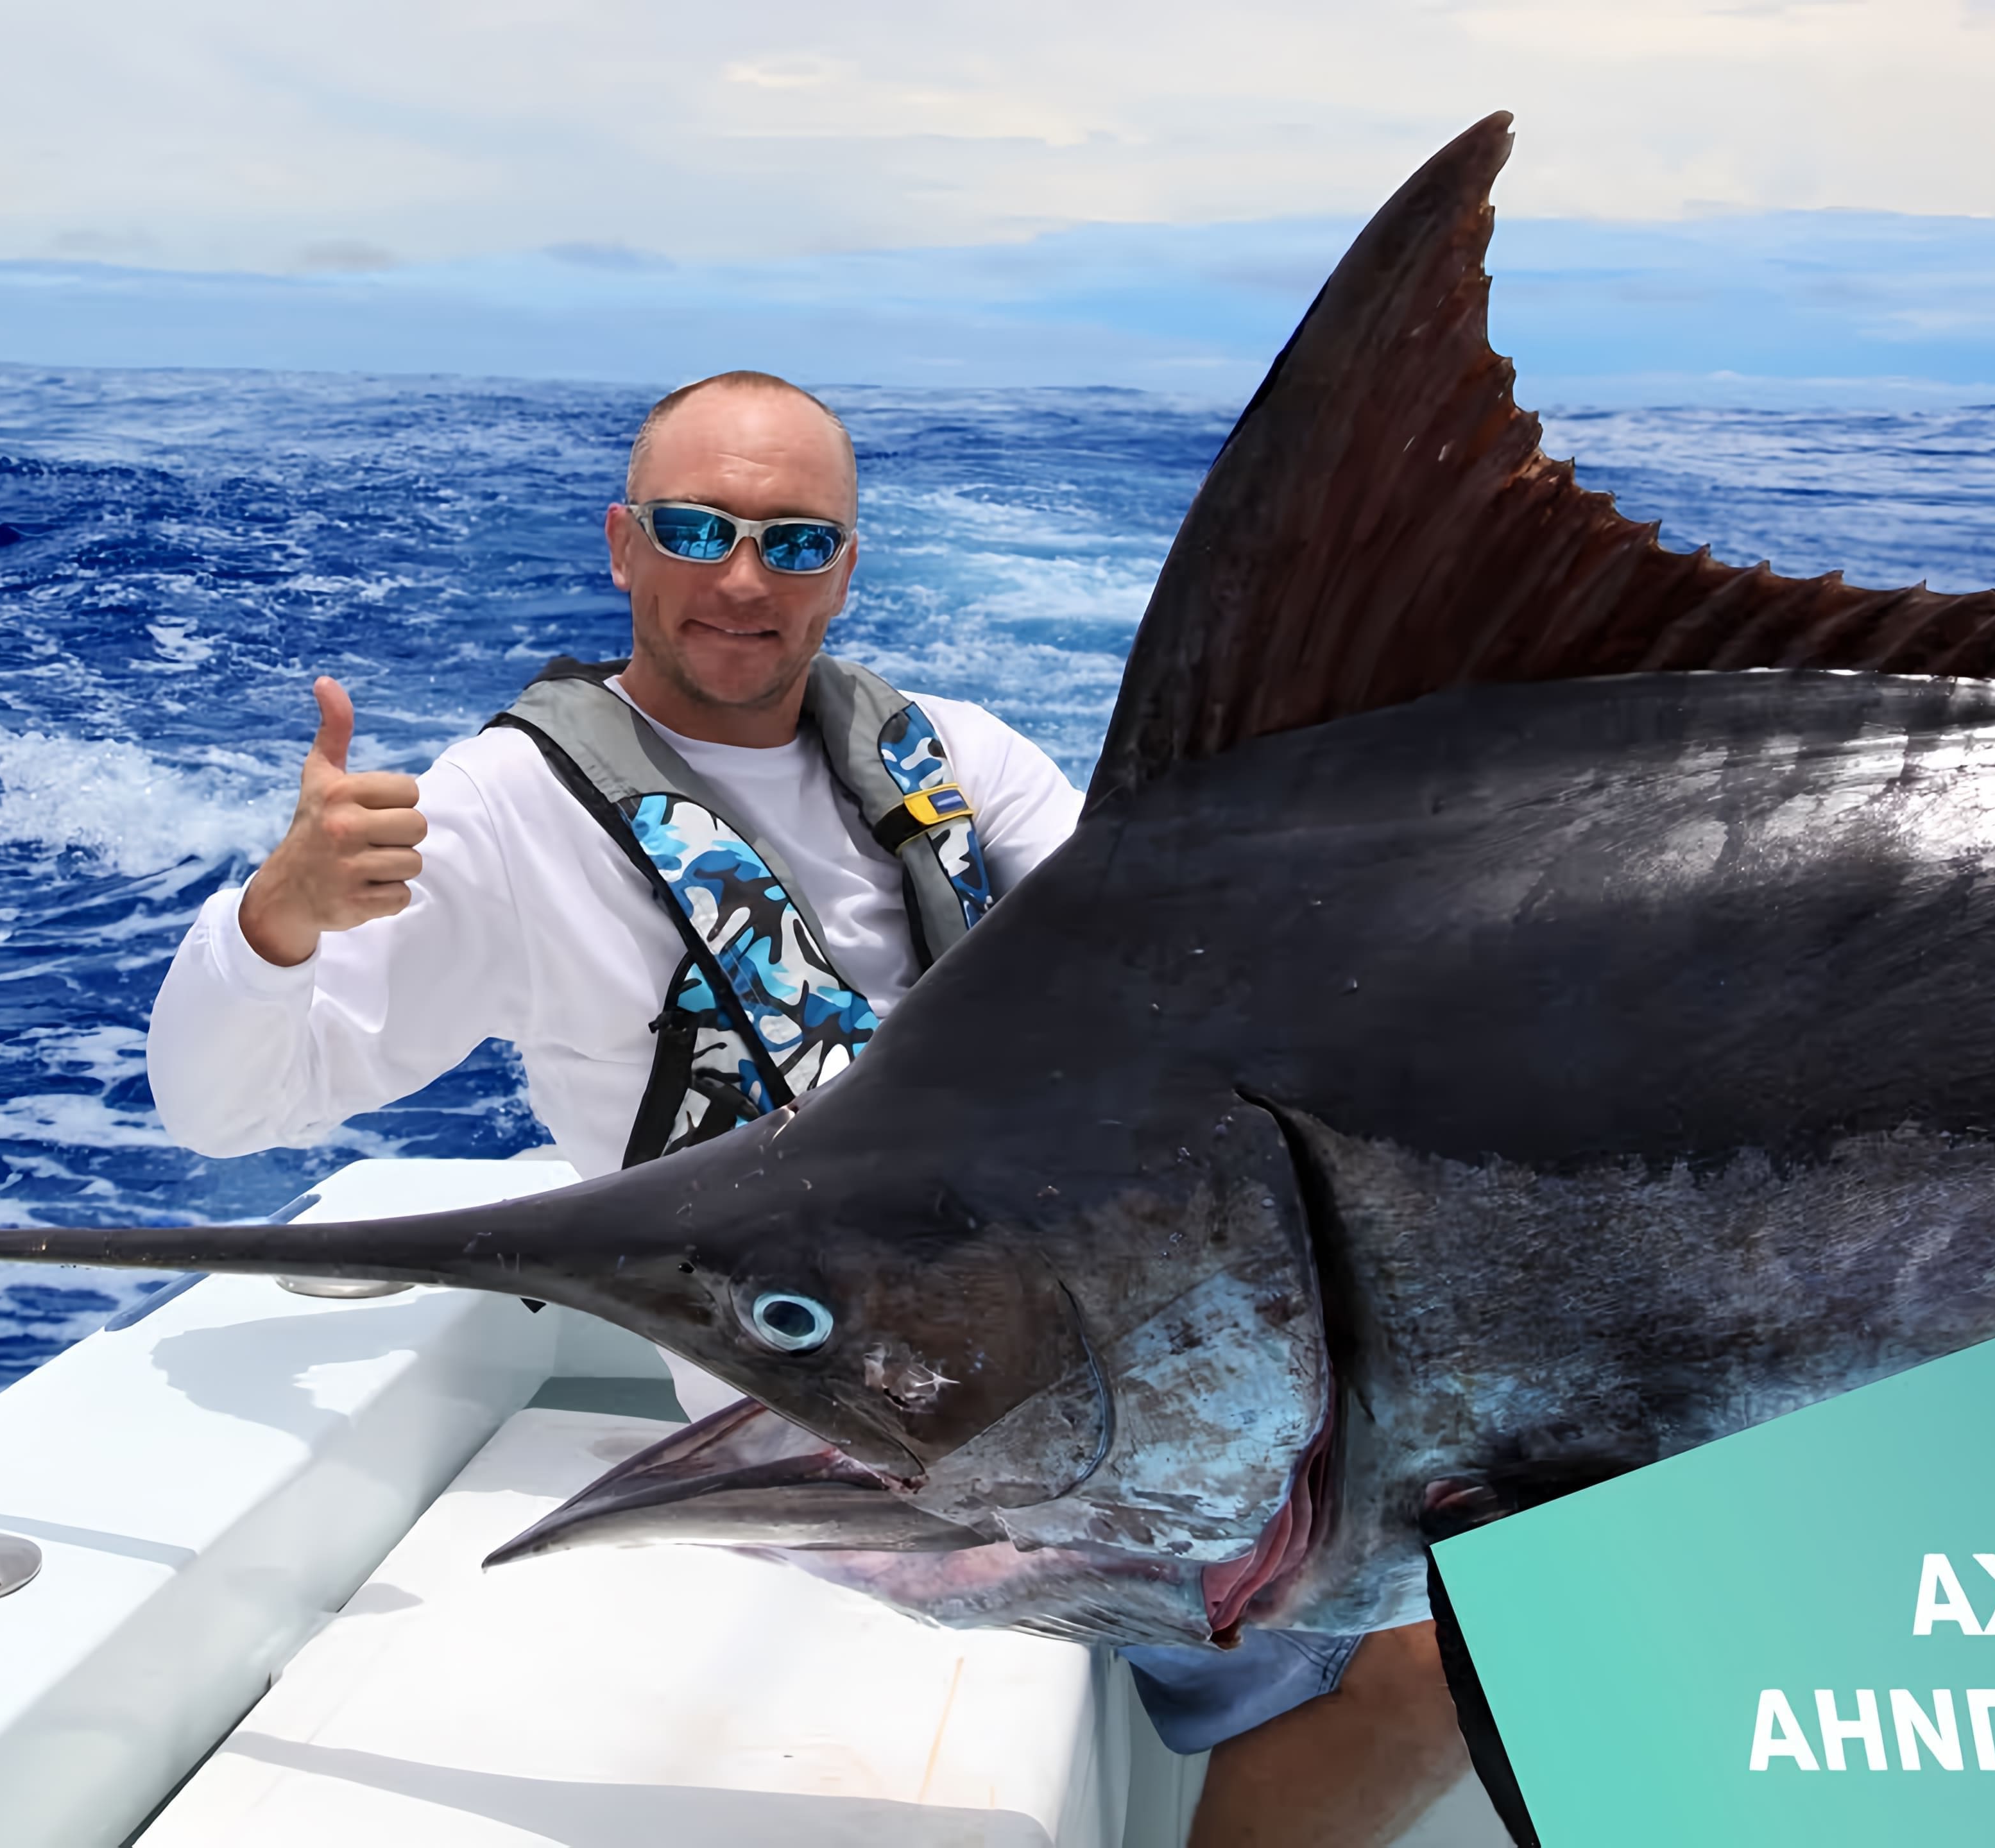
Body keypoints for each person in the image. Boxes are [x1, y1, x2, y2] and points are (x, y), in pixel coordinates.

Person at [146, 369, 1469, 1846]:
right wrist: (279, 919)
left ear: (844, 567)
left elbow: (1190, 990)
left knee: (1592, 1532)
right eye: (694, 528)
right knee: (1448, 1653)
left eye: (793, 541)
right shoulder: (499, 814)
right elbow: (221, 1107)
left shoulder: (959, 760)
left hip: (1113, 1351)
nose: (741, 579)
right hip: (862, 1428)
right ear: (621, 545)